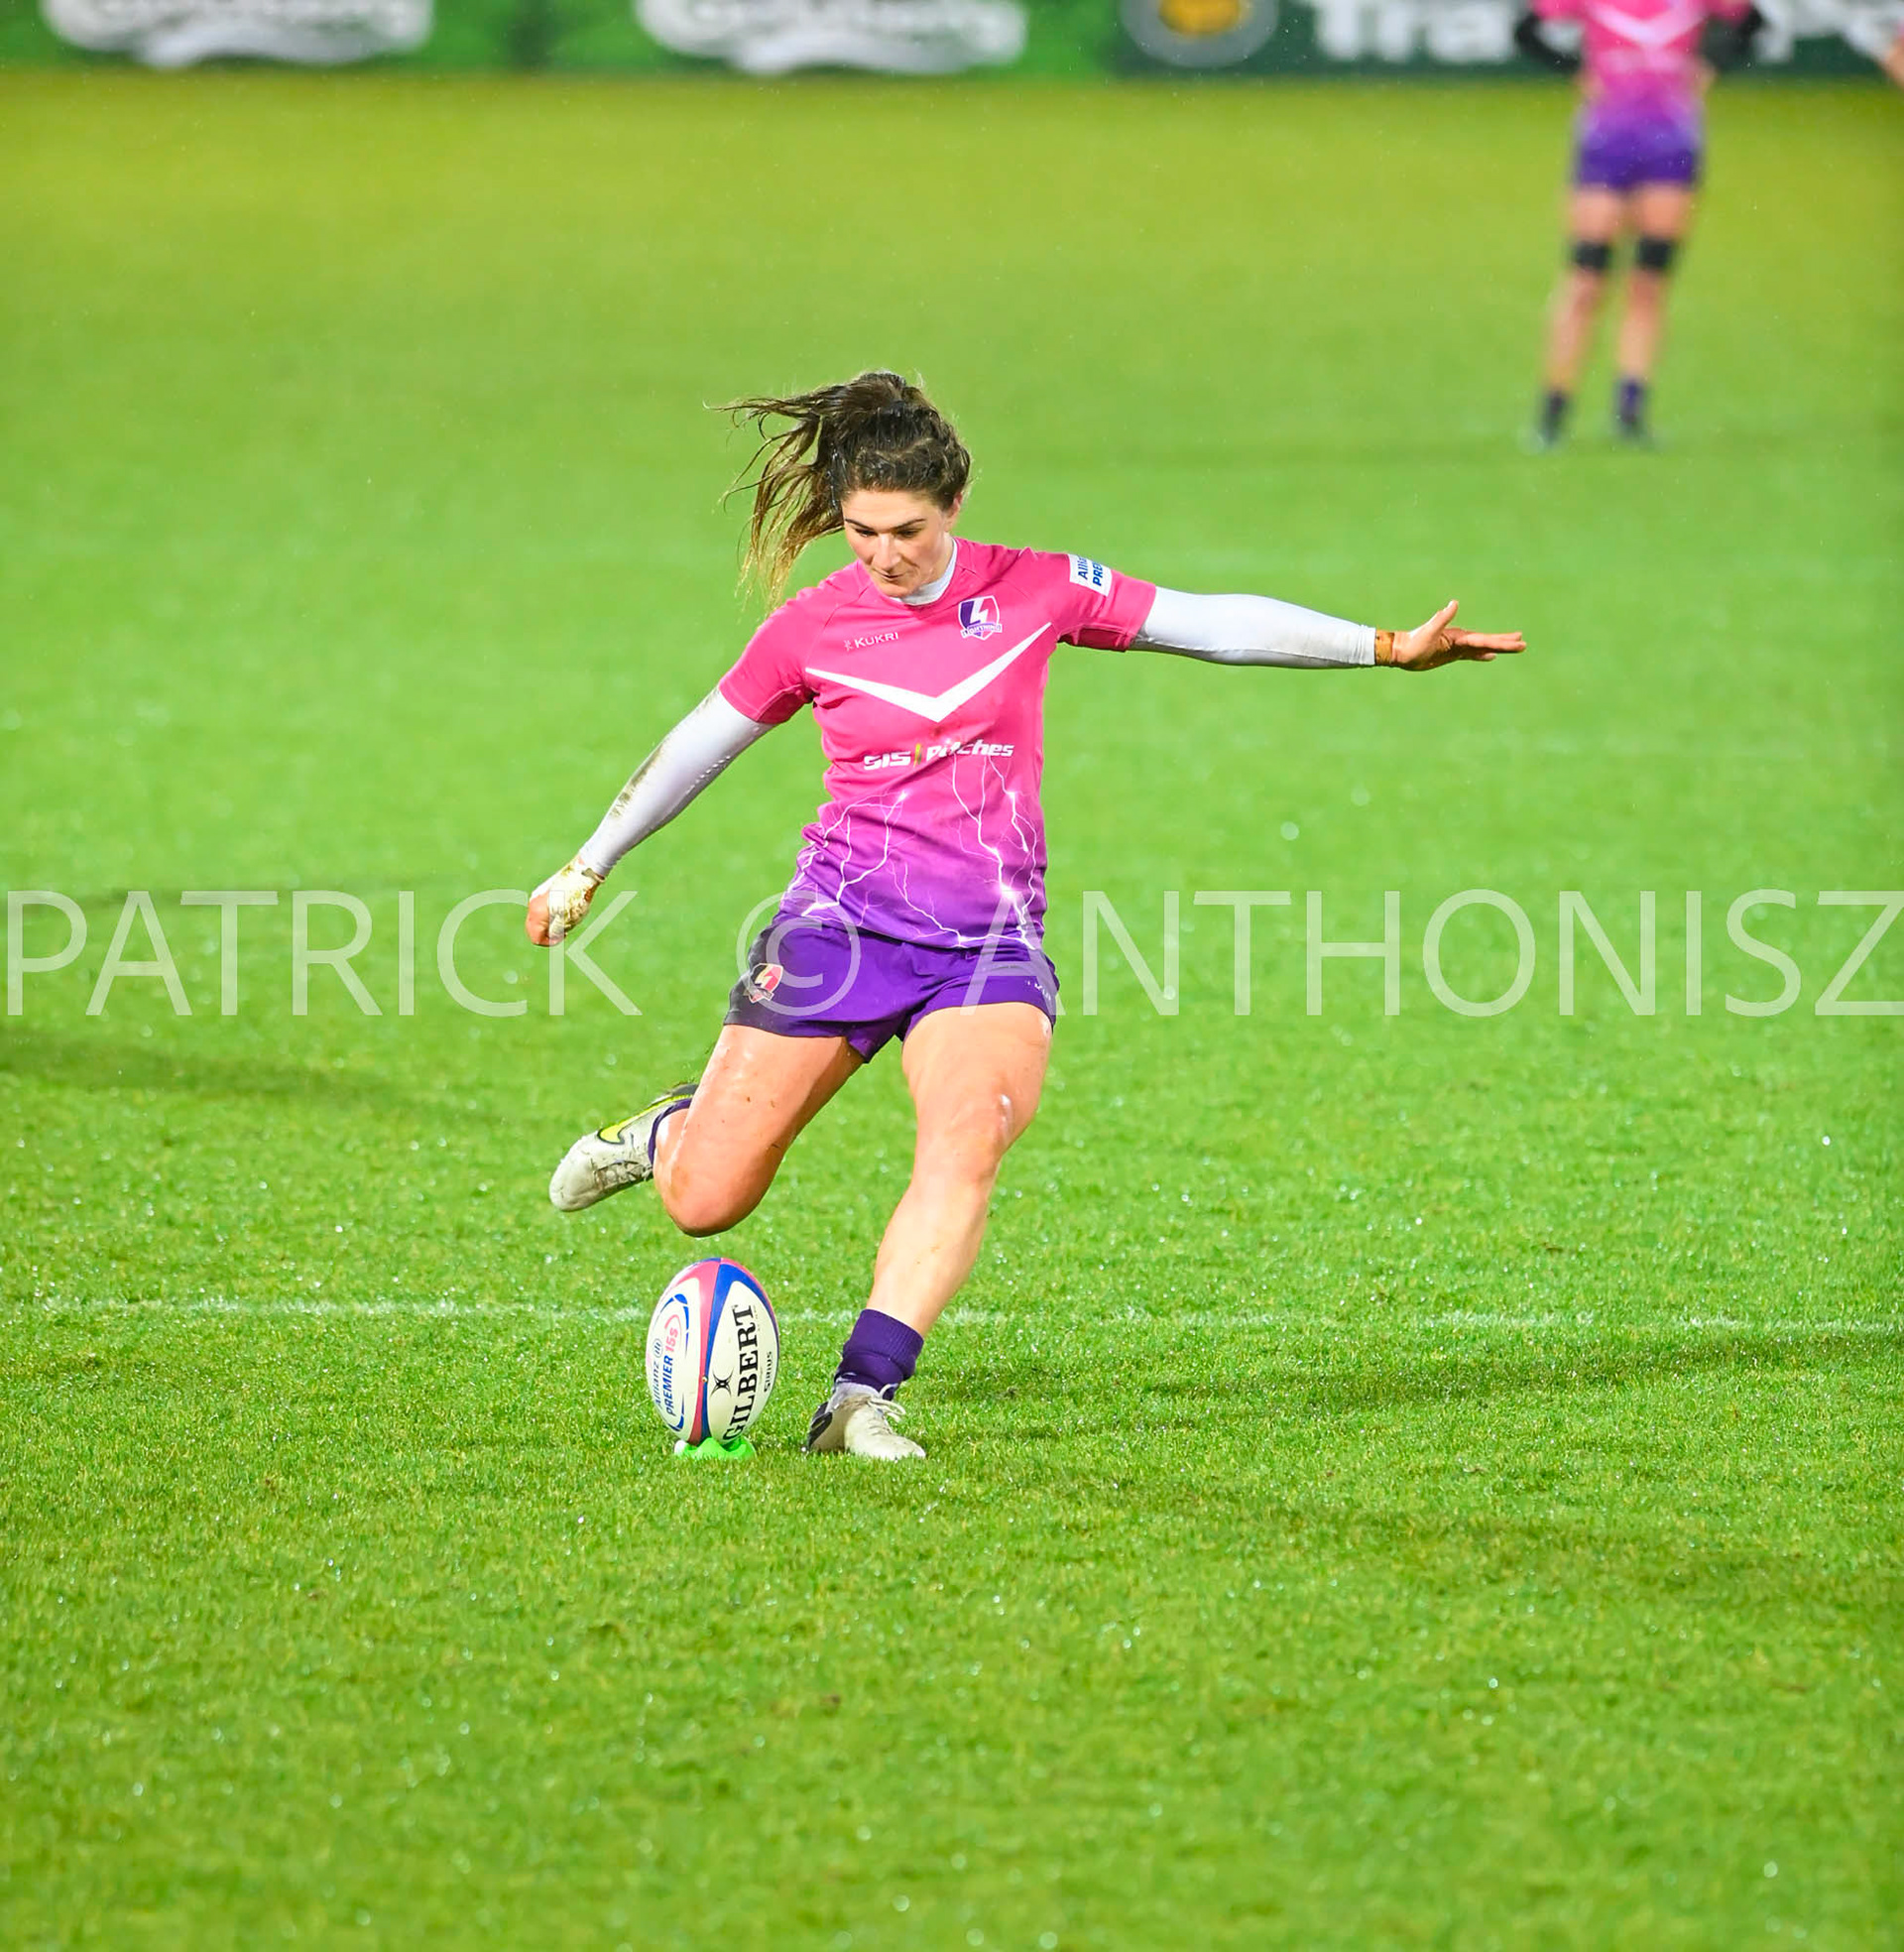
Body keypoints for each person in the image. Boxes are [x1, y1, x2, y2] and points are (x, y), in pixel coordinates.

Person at [525, 373, 1526, 1460]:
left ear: (952, 505)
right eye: (860, 531)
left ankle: (862, 1397)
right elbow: (697, 746)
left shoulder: (1036, 589)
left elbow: (1207, 623)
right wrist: (587, 865)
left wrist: (1382, 647)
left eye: (906, 530)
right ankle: (669, 1132)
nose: (882, 554)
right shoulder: (810, 630)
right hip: (837, 931)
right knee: (706, 1202)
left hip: (986, 951)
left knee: (965, 1141)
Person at [1516, 0, 1767, 447]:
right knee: (1586, 280)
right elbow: (1526, 31)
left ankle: (1630, 411)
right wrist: (1575, 69)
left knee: (1648, 281)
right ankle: (1553, 410)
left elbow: (1753, 24)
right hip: (1606, 144)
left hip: (1671, 144)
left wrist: (1710, 68)